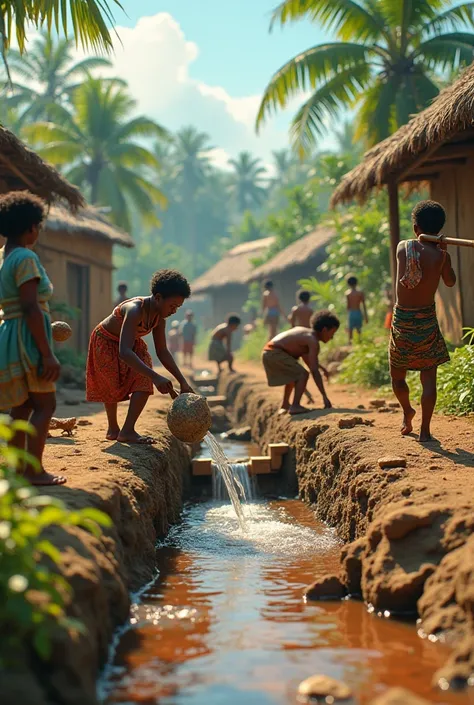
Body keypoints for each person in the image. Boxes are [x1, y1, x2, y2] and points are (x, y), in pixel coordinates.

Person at [0, 192, 65, 485]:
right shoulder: (26, 258)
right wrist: (47, 353)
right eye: (37, 226)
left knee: (22, 406)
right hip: (27, 337)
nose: (38, 232)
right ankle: (35, 471)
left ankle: (16, 469)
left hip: (12, 334)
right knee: (45, 405)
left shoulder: (6, 257)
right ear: (30, 227)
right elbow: (30, 306)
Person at [86, 269, 194, 444]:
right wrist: (156, 376)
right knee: (110, 383)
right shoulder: (135, 309)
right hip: (105, 340)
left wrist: (182, 381)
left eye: (178, 308)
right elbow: (124, 351)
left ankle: (127, 430)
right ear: (158, 298)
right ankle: (113, 427)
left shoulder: (160, 318)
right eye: (172, 306)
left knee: (144, 380)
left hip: (131, 343)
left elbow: (162, 351)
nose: (174, 311)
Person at [390, 200, 456, 442]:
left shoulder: (402, 247)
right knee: (429, 378)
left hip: (402, 320)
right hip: (426, 319)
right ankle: (425, 430)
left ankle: (407, 410)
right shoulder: (441, 256)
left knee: (397, 375)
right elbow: (450, 282)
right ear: (439, 230)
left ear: (416, 228)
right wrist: (444, 252)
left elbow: (413, 250)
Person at [262, 310, 339, 415]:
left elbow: (311, 362)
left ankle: (285, 404)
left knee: (294, 374)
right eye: (332, 333)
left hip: (268, 353)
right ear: (325, 330)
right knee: (302, 374)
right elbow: (314, 370)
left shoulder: (305, 333)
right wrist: (324, 397)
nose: (332, 337)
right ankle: (295, 406)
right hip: (275, 353)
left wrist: (322, 368)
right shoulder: (312, 341)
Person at [346, 276, 368, 343]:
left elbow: (348, 306)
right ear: (356, 283)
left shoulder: (348, 294)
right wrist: (365, 316)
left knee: (350, 329)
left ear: (348, 284)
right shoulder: (360, 293)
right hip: (358, 312)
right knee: (358, 328)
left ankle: (350, 343)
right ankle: (359, 342)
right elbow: (363, 305)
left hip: (351, 313)